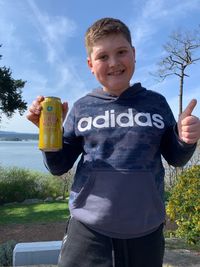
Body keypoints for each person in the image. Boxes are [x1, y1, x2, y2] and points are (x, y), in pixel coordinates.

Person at [27, 17, 200, 267]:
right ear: (90, 64)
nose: (114, 63)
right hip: (87, 235)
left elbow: (176, 157)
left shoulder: (156, 103)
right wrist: (47, 133)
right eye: (102, 57)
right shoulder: (82, 108)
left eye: (121, 52)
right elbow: (58, 166)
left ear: (134, 54)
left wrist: (185, 138)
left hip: (146, 234)